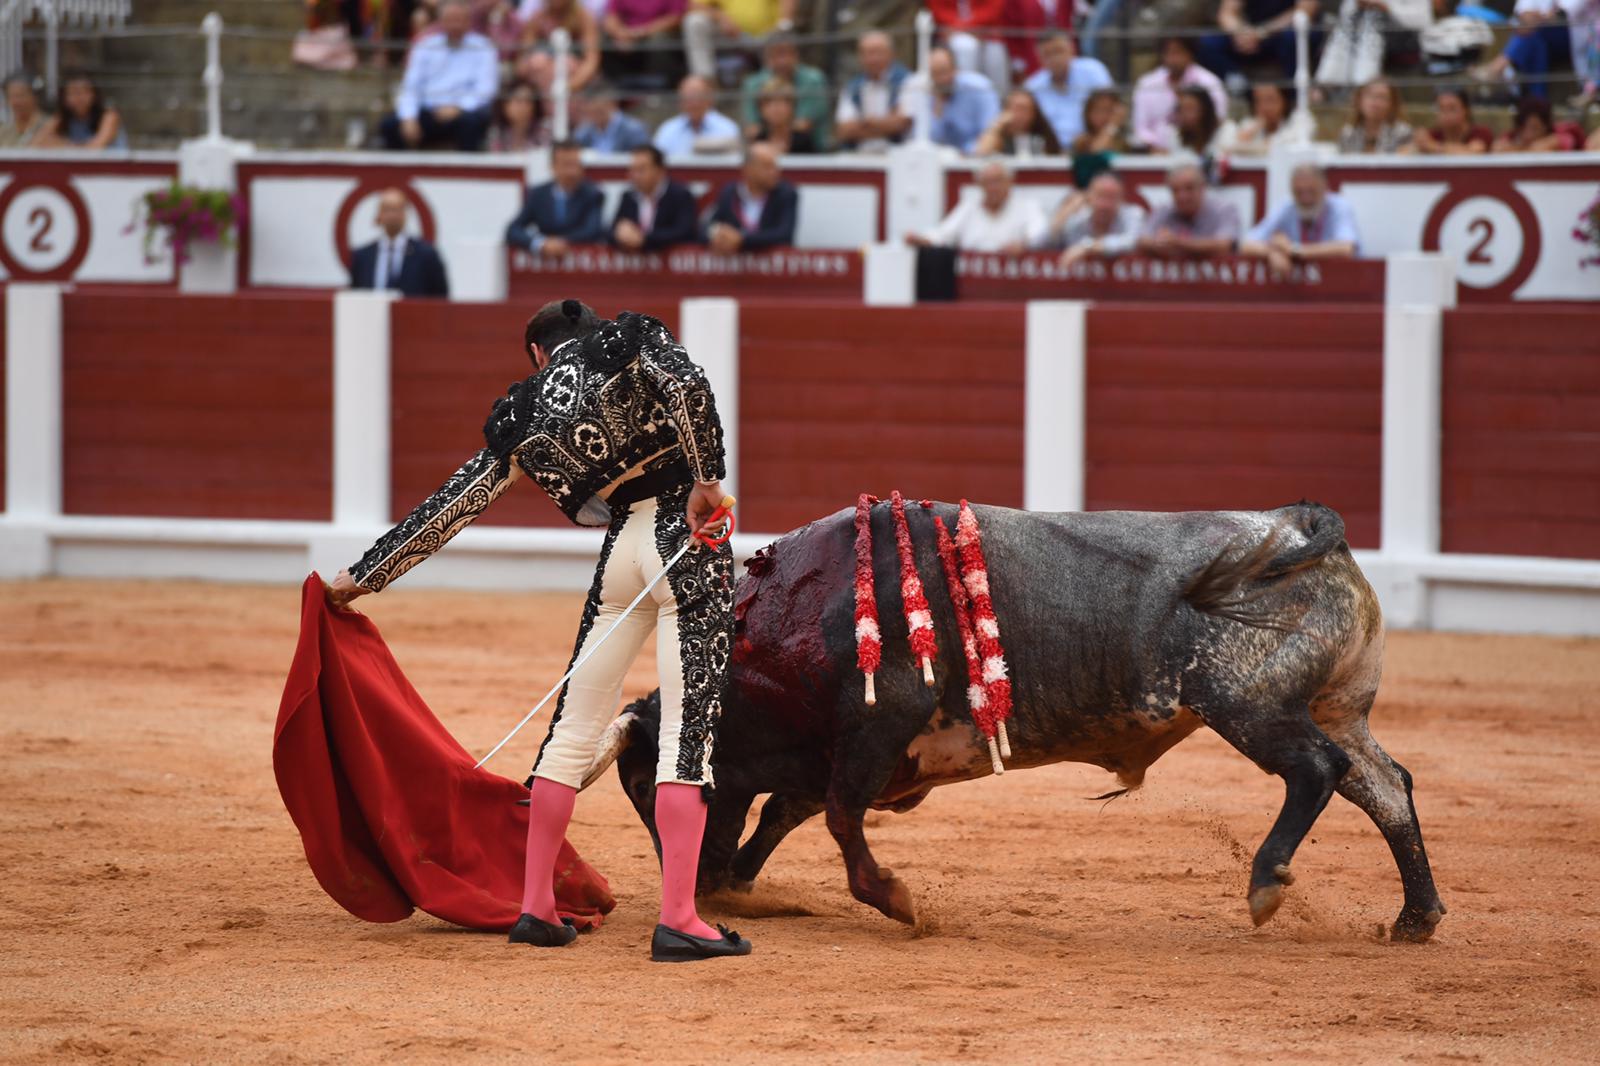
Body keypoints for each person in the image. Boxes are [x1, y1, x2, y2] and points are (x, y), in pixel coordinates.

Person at [326, 300, 750, 963]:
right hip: (684, 537)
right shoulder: (626, 338)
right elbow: (689, 386)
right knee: (685, 730)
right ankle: (679, 918)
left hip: (620, 552)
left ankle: (535, 906)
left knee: (572, 728)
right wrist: (706, 479)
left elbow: (453, 504)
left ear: (536, 354)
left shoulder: (523, 411)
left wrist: (364, 575)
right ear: (584, 331)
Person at [381, 0, 499, 150]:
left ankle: (464, 172)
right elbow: (410, 86)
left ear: (468, 21)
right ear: (441, 21)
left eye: (459, 20)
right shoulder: (426, 46)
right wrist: (409, 117)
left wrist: (459, 108)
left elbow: (485, 90)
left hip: (464, 112)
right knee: (389, 126)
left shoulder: (483, 48)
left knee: (472, 123)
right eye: (450, 20)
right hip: (429, 112)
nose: (455, 25)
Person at [1240, 163, 1361, 275]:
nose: (1305, 199)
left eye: (1310, 191)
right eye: (1299, 192)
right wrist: (1272, 252)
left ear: (1324, 187)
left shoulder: (1339, 206)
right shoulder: (1287, 206)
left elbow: (1346, 249)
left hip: (1340, 286)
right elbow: (1247, 244)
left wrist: (1294, 250)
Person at [907, 159, 1048, 252]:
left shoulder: (1028, 207)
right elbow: (943, 234)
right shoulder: (969, 208)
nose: (993, 187)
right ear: (979, 185)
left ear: (1010, 182)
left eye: (998, 181)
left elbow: (1040, 234)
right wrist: (921, 239)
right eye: (988, 182)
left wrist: (1023, 245)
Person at [506, 140, 606, 255]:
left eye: (576, 164)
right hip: (543, 267)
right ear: (553, 167)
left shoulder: (593, 194)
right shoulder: (538, 194)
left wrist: (558, 242)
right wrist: (540, 244)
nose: (573, 172)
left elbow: (592, 230)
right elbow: (513, 230)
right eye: (567, 165)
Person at [1197, 0, 1323, 92]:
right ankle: (1239, 85)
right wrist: (1241, 32)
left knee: (1292, 38)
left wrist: (1263, 32)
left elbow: (1305, 11)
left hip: (1284, 33)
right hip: (1251, 36)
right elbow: (1227, 14)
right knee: (1208, 43)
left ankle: (1294, 94)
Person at [1132, 36, 1230, 151]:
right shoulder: (1147, 84)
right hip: (1156, 155)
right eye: (1167, 52)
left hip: (1202, 151)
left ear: (1190, 53)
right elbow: (1140, 129)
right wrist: (1157, 148)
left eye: (1178, 52)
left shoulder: (1210, 83)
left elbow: (1217, 120)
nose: (1172, 58)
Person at [348, 188, 451, 297]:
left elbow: (440, 297)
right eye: (387, 209)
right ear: (378, 214)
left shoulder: (426, 255)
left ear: (406, 213)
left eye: (397, 209)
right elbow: (355, 293)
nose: (392, 215)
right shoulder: (363, 256)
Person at [738, 33, 831, 148]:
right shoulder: (752, 84)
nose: (783, 61)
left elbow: (804, 126)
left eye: (787, 54)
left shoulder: (814, 80)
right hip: (764, 150)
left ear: (797, 56)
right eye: (776, 55)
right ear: (767, 59)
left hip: (810, 151)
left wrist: (775, 135)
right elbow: (752, 129)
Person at [902, 44, 999, 154]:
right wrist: (938, 106)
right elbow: (925, 140)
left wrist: (963, 152)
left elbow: (991, 132)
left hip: (975, 161)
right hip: (938, 162)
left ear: (955, 69)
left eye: (944, 71)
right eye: (935, 74)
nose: (941, 79)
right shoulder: (924, 90)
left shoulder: (979, 89)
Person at [1022, 32, 1113, 148]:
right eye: (1047, 54)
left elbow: (1112, 110)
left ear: (1072, 50)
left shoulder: (1093, 71)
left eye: (1059, 51)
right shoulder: (1033, 86)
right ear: (1039, 58)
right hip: (1050, 152)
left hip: (1092, 147)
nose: (1055, 58)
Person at [1315, 0, 1433, 89]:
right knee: (1355, 22)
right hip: (1360, 33)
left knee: (1373, 19)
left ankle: (1362, 82)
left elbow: (1423, 20)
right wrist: (1360, 5)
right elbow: (1345, 14)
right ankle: (1331, 79)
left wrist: (1385, 7)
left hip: (1403, 37)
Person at [1136, 160, 1241, 259]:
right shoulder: (1164, 210)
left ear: (1203, 187)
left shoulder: (1224, 209)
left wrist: (1178, 243)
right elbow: (1142, 240)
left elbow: (1226, 245)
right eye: (1176, 190)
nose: (1182, 196)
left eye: (1189, 188)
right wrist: (1161, 243)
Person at [1470, 0, 1573, 101]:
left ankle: (1498, 67)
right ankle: (1537, 101)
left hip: (1571, 35)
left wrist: (1538, 19)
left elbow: (1564, 14)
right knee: (1535, 41)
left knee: (1532, 33)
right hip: (1539, 36)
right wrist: (1540, 19)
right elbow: (1524, 16)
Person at [704, 143, 799, 252]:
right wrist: (718, 236)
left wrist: (742, 239)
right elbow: (708, 227)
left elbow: (784, 234)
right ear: (748, 169)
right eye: (767, 167)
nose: (775, 172)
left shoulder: (785, 194)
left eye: (775, 166)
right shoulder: (729, 193)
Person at [834, 30, 914, 152]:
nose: (873, 59)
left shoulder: (908, 81)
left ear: (891, 54)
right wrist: (885, 124)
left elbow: (902, 124)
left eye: (878, 52)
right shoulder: (852, 86)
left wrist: (865, 124)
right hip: (859, 156)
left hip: (897, 155)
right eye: (867, 53)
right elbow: (843, 131)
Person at [612, 144, 701, 248]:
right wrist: (620, 234)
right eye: (632, 170)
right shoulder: (628, 196)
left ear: (660, 171)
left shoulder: (680, 195)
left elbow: (685, 232)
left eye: (641, 170)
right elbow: (609, 232)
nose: (634, 176)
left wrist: (644, 238)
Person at [1048, 172, 1146, 266]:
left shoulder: (1133, 214)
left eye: (1111, 197)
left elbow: (1132, 241)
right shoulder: (1079, 219)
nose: (1105, 205)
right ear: (1089, 197)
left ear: (1122, 199)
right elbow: (1038, 243)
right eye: (1100, 196)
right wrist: (1061, 217)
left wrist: (1087, 247)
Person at [684, 0, 798, 81]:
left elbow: (787, 11)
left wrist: (783, 27)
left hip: (769, 36)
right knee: (695, 21)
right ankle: (705, 81)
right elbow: (694, 4)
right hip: (731, 35)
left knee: (784, 31)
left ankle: (778, 85)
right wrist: (720, 17)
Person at [519, 0, 602, 90]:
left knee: (566, 66)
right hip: (541, 86)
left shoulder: (584, 17)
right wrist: (535, 64)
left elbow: (591, 62)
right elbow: (522, 62)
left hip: (577, 85)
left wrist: (568, 85)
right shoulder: (538, 18)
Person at [653, 74, 742, 156]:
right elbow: (658, 163)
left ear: (710, 98)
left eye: (697, 94)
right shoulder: (668, 129)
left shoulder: (727, 127)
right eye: (687, 95)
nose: (692, 101)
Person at [601, 0, 688, 82]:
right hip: (627, 37)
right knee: (606, 41)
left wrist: (643, 32)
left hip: (657, 37)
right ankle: (615, 86)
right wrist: (620, 34)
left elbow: (675, 17)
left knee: (658, 40)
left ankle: (659, 86)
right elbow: (611, 16)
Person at [33, 73, 124, 150]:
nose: (79, 98)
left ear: (94, 95)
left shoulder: (109, 115)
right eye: (73, 93)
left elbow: (95, 148)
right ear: (64, 98)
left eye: (84, 92)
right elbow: (36, 144)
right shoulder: (61, 118)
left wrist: (63, 144)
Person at [1221, 81, 1310, 156]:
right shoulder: (1249, 124)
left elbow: (1281, 146)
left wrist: (1250, 148)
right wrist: (1252, 131)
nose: (1265, 107)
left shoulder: (1300, 120)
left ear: (1284, 101)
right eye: (1258, 101)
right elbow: (1229, 148)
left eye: (1270, 100)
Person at [1148, 84, 1237, 157]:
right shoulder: (1175, 135)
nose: (1184, 115)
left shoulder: (1227, 130)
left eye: (1190, 109)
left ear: (1205, 110)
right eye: (1181, 110)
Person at [975, 88, 1064, 156]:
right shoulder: (999, 138)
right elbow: (981, 154)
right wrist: (996, 126)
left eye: (1023, 109)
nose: (1017, 115)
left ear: (1033, 114)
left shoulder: (1043, 138)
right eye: (1013, 108)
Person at [1068, 89, 1128, 188]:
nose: (1103, 116)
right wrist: (1113, 125)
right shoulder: (1082, 141)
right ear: (1088, 114)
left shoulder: (1125, 144)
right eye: (1098, 110)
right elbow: (1096, 152)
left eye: (1109, 110)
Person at [1405, 88, 1493, 154]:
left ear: (1465, 110)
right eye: (1441, 108)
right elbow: (1403, 153)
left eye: (1452, 108)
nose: (1446, 114)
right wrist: (1419, 144)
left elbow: (1473, 152)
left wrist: (1432, 146)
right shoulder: (1433, 135)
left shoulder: (1481, 132)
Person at [1337, 77, 1413, 153]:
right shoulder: (1348, 133)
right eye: (1370, 95)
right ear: (1359, 100)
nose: (1375, 103)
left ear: (1392, 104)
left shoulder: (1403, 133)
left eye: (1382, 97)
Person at [1492, 95, 1587, 150]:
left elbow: (1549, 145)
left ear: (1545, 127)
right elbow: (1497, 147)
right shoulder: (1511, 136)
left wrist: (1518, 148)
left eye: (1533, 128)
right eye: (1523, 127)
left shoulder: (1561, 134)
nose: (1527, 134)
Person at [573, 86, 653, 150]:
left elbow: (643, 159)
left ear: (612, 104)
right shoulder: (584, 131)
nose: (595, 118)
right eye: (591, 113)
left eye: (599, 112)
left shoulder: (634, 130)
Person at [751, 81, 818, 153]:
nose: (775, 108)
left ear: (792, 107)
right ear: (761, 109)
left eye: (782, 102)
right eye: (769, 103)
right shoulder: (756, 140)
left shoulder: (804, 141)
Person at [490, 82, 546, 152]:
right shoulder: (497, 133)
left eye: (528, 101)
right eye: (518, 101)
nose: (524, 106)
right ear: (504, 105)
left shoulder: (544, 133)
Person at [0, 76, 46, 147]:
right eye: (11, 96)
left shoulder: (50, 127)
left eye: (21, 96)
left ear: (35, 97)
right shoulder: (4, 131)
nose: (16, 102)